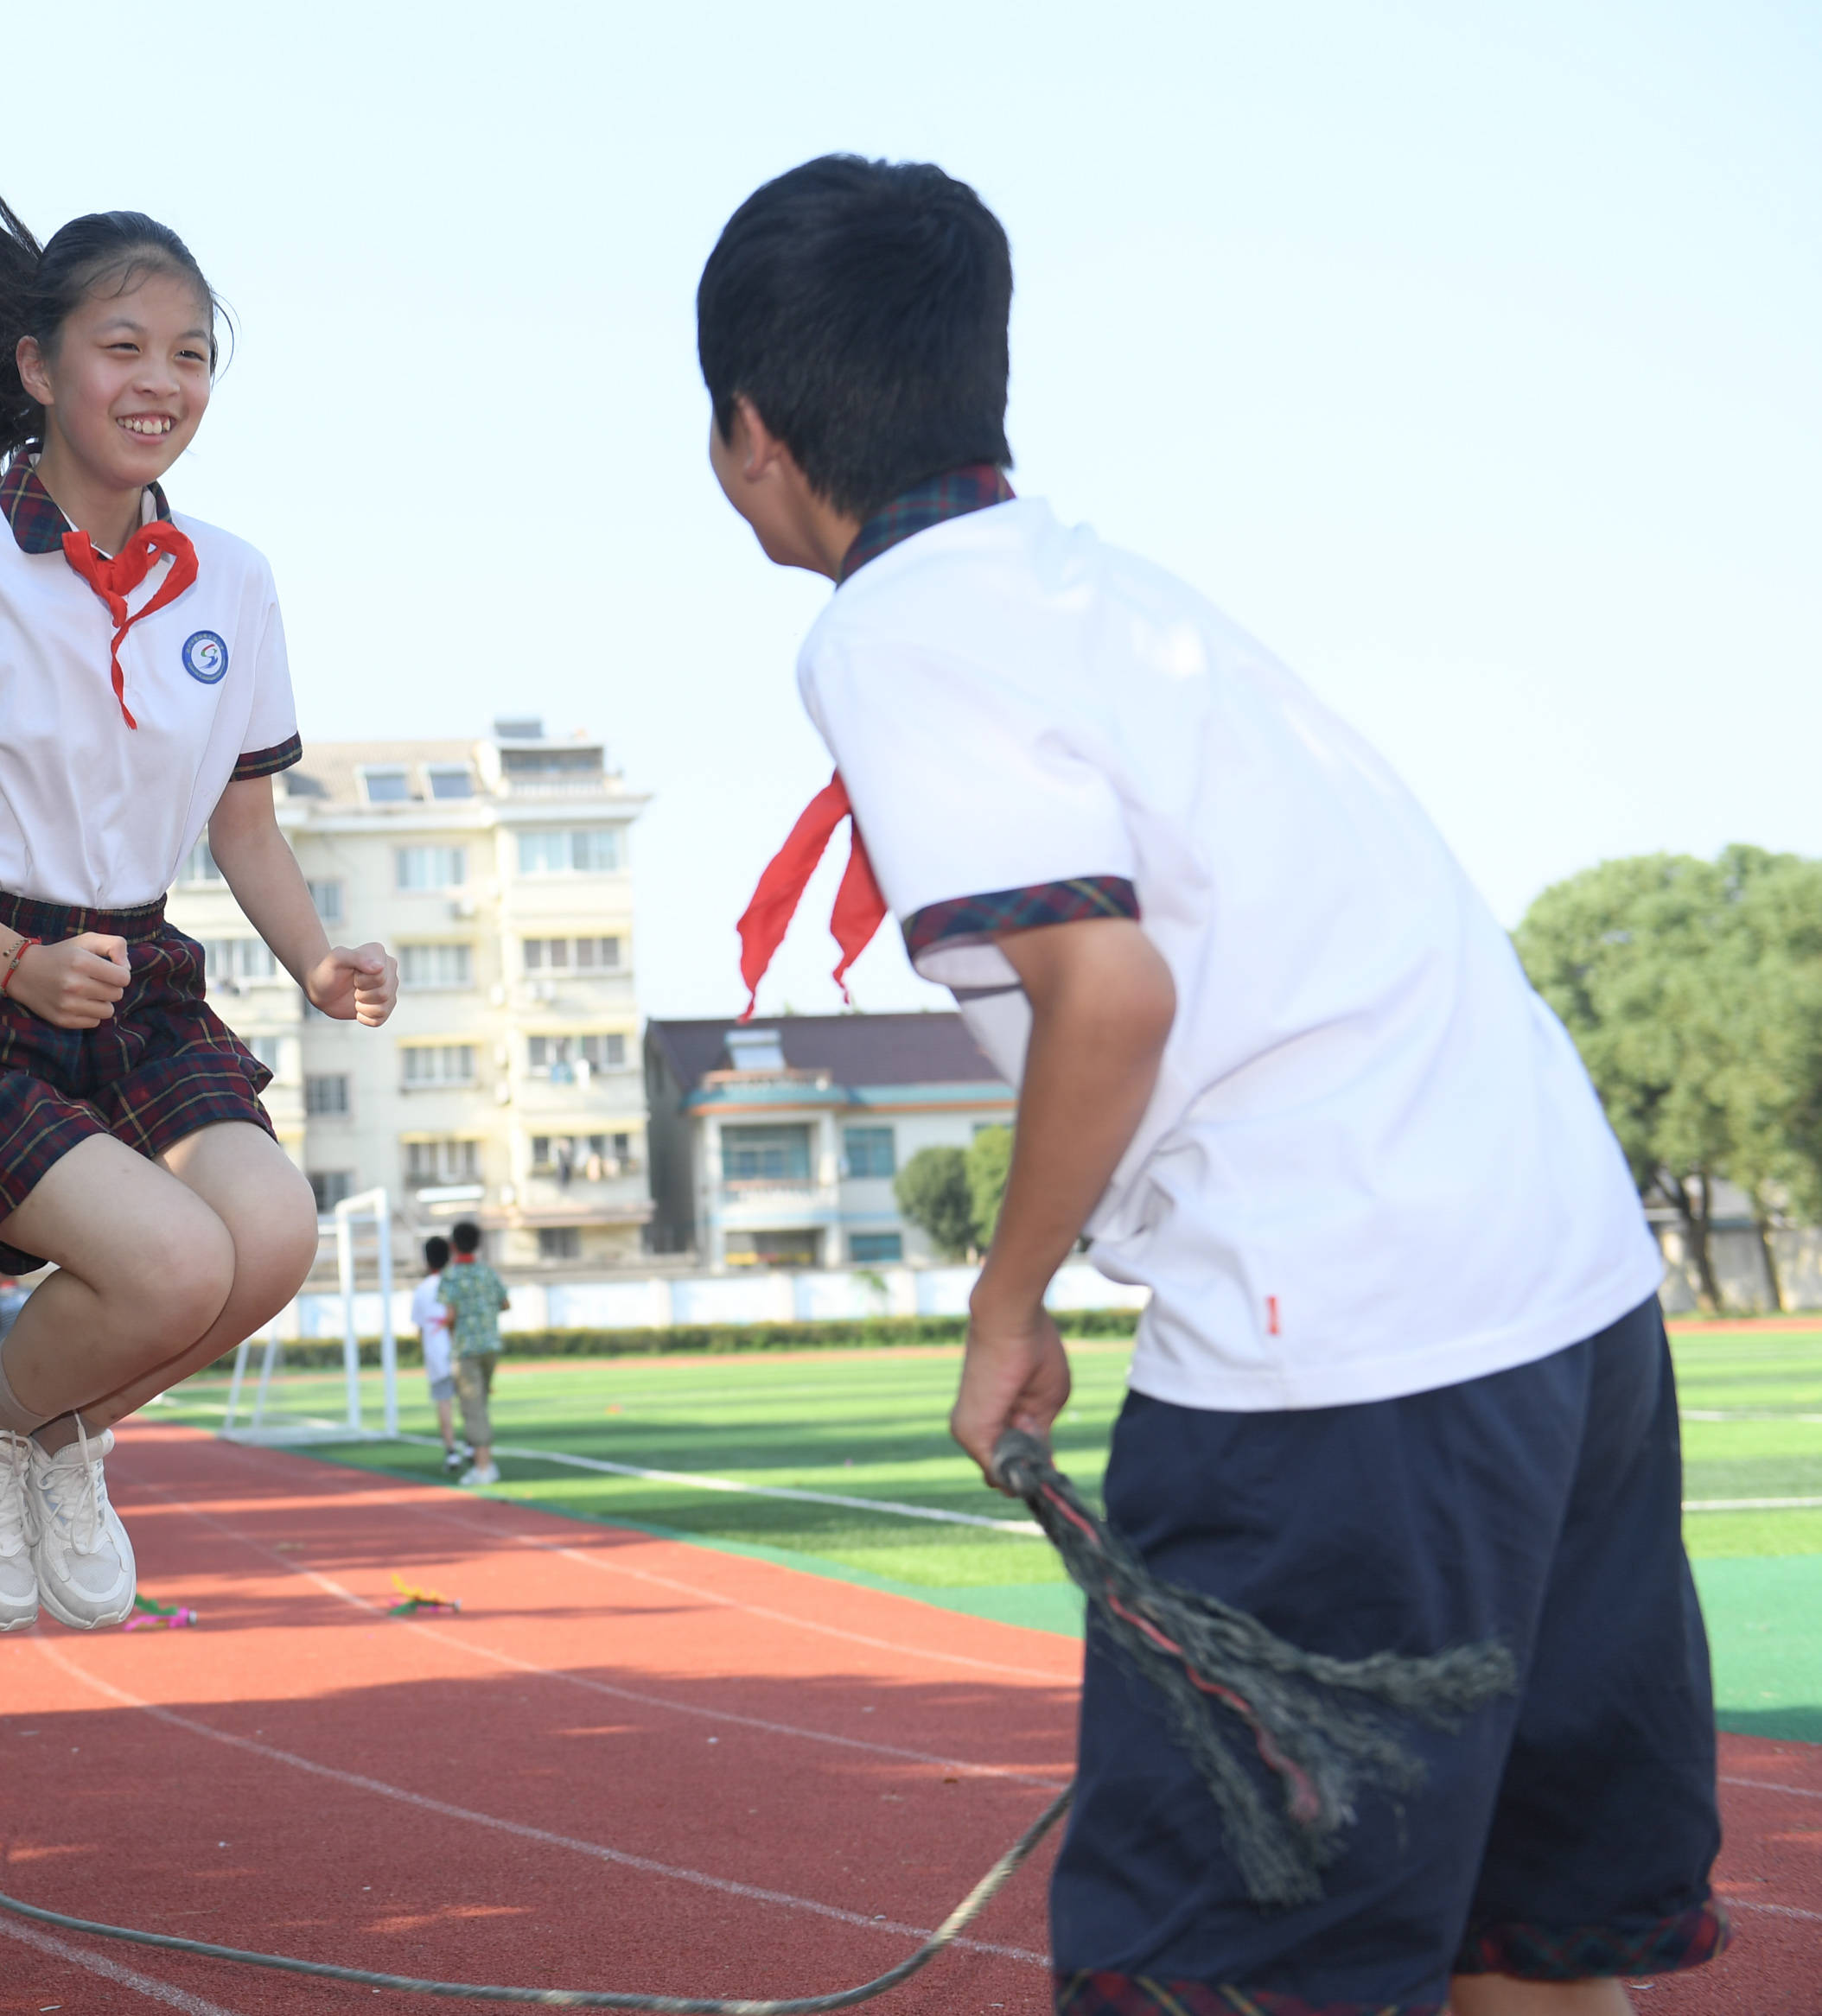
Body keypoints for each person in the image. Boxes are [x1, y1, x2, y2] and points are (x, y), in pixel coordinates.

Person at [698, 155, 1719, 2016]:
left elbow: (1107, 988)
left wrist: (1003, 1302)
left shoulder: (901, 620)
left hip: (1344, 1348)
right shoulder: (1105, 586)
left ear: (747, 435)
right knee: (1526, 1946)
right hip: (1570, 1297)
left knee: (1221, 1974)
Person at [0, 138, 396, 1639]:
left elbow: (245, 822)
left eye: (192, 353)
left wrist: (322, 958)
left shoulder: (237, 580)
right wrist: (11, 963)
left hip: (135, 974)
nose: (163, 379)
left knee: (268, 1240)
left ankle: (21, 1428)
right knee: (170, 1261)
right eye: (124, 346)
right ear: (37, 364)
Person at [433, 1222, 506, 1485]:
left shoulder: (451, 1276)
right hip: (491, 1345)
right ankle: (487, 1462)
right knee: (481, 1405)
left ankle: (483, 1468)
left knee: (473, 1409)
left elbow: (450, 1314)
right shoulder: (487, 1272)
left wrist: (449, 1325)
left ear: (453, 1245)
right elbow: (505, 1302)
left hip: (466, 1349)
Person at [408, 1236, 462, 1472]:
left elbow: (419, 1327)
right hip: (462, 1350)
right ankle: (472, 1446)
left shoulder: (422, 1290)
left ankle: (451, 1452)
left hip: (436, 1353)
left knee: (444, 1403)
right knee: (468, 1402)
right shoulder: (456, 1282)